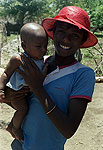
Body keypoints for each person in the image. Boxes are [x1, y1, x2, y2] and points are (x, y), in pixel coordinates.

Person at [1, 6, 98, 150]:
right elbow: (23, 101)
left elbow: (68, 130)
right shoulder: (37, 63)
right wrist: (9, 95)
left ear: (82, 41)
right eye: (61, 32)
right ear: (53, 33)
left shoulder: (83, 74)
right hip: (20, 144)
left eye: (75, 35)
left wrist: (38, 88)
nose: (66, 39)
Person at [0, 23, 48, 141]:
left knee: (28, 108)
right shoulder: (18, 59)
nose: (44, 49)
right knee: (23, 109)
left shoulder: (42, 59)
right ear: (24, 46)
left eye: (45, 45)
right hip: (16, 93)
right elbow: (6, 74)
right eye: (39, 46)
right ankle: (15, 128)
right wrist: (1, 89)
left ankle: (11, 126)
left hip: (27, 93)